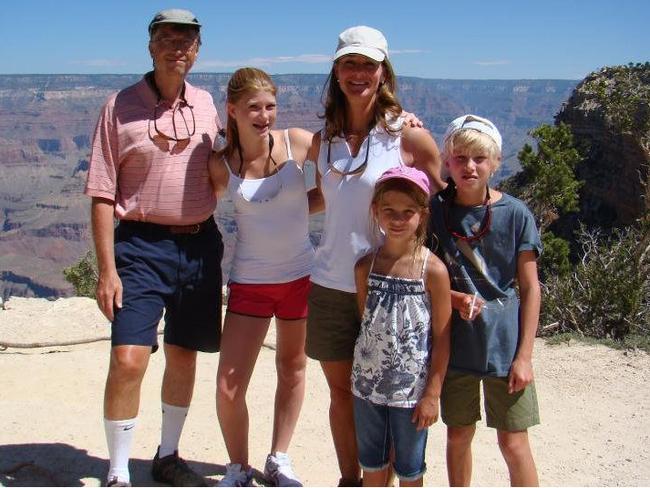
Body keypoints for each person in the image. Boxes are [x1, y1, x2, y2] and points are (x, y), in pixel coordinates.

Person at [85, 9, 222, 487]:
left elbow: (237, 155)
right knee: (129, 358)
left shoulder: (206, 104)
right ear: (150, 46)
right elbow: (102, 191)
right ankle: (118, 470)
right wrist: (107, 269)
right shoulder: (119, 106)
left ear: (198, 50)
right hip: (139, 246)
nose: (177, 48)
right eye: (168, 38)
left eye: (187, 41)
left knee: (184, 354)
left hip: (199, 246)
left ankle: (167, 455)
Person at [304, 25, 445, 486]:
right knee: (344, 396)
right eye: (350, 63)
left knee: (390, 397)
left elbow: (438, 205)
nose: (358, 73)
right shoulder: (322, 140)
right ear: (336, 71)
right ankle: (354, 479)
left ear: (384, 72)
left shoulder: (406, 135)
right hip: (329, 283)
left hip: (392, 288)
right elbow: (320, 198)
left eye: (368, 64)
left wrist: (447, 283)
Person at [208, 68, 316, 487]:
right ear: (232, 110)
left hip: (301, 277)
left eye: (270, 106)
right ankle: (238, 467)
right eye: (253, 107)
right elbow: (193, 207)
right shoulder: (221, 165)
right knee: (228, 385)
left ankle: (279, 458)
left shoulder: (299, 143)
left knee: (293, 368)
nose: (264, 115)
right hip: (249, 283)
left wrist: (402, 123)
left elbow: (341, 180)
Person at [427, 114, 542, 486]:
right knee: (458, 435)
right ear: (448, 162)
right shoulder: (435, 212)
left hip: (504, 346)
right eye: (460, 158)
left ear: (495, 162)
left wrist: (524, 356)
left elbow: (530, 287)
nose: (469, 166)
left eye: (479, 158)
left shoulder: (516, 215)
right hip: (455, 345)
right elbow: (417, 272)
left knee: (513, 441)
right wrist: (456, 297)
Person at [352, 167, 451, 487]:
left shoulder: (433, 271)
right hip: (367, 388)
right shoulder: (365, 266)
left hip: (411, 392)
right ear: (375, 211)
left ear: (422, 215)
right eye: (389, 211)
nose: (397, 219)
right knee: (373, 465)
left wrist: (432, 393)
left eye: (407, 212)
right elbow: (366, 322)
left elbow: (442, 336)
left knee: (410, 469)